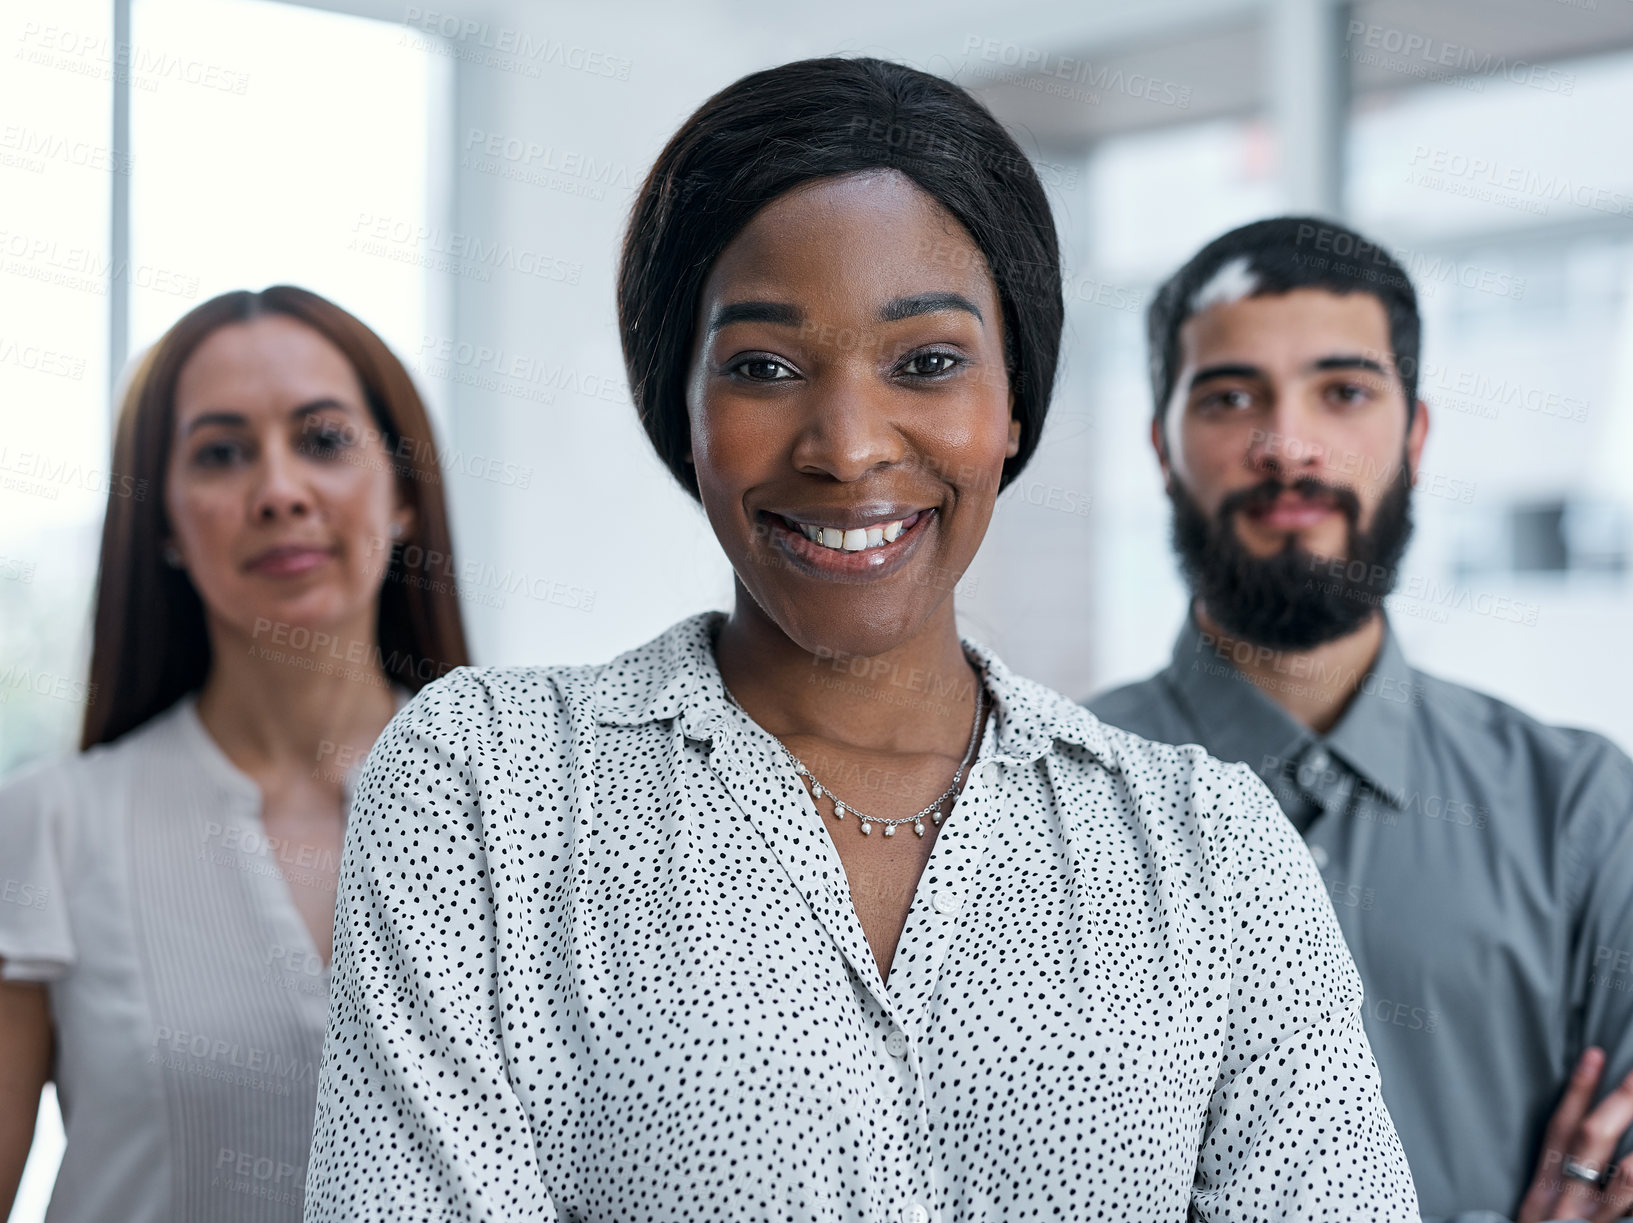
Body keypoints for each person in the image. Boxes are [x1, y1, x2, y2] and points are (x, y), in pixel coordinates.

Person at [305, 60, 1415, 1221]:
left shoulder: (1210, 849)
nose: (845, 446)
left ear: (1014, 404)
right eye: (764, 367)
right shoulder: (488, 784)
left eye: (926, 362)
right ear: (681, 411)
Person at [1088, 216, 1633, 1223]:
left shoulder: (1587, 814)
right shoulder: (1022, 800)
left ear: (1415, 435)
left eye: (1341, 391)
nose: (1286, 444)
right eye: (1228, 395)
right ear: (1161, 445)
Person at [0, 286, 470, 1222]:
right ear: (165, 521)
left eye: (324, 439)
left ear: (404, 492)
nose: (279, 491)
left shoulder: (530, 808)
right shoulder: (50, 826)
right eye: (220, 453)